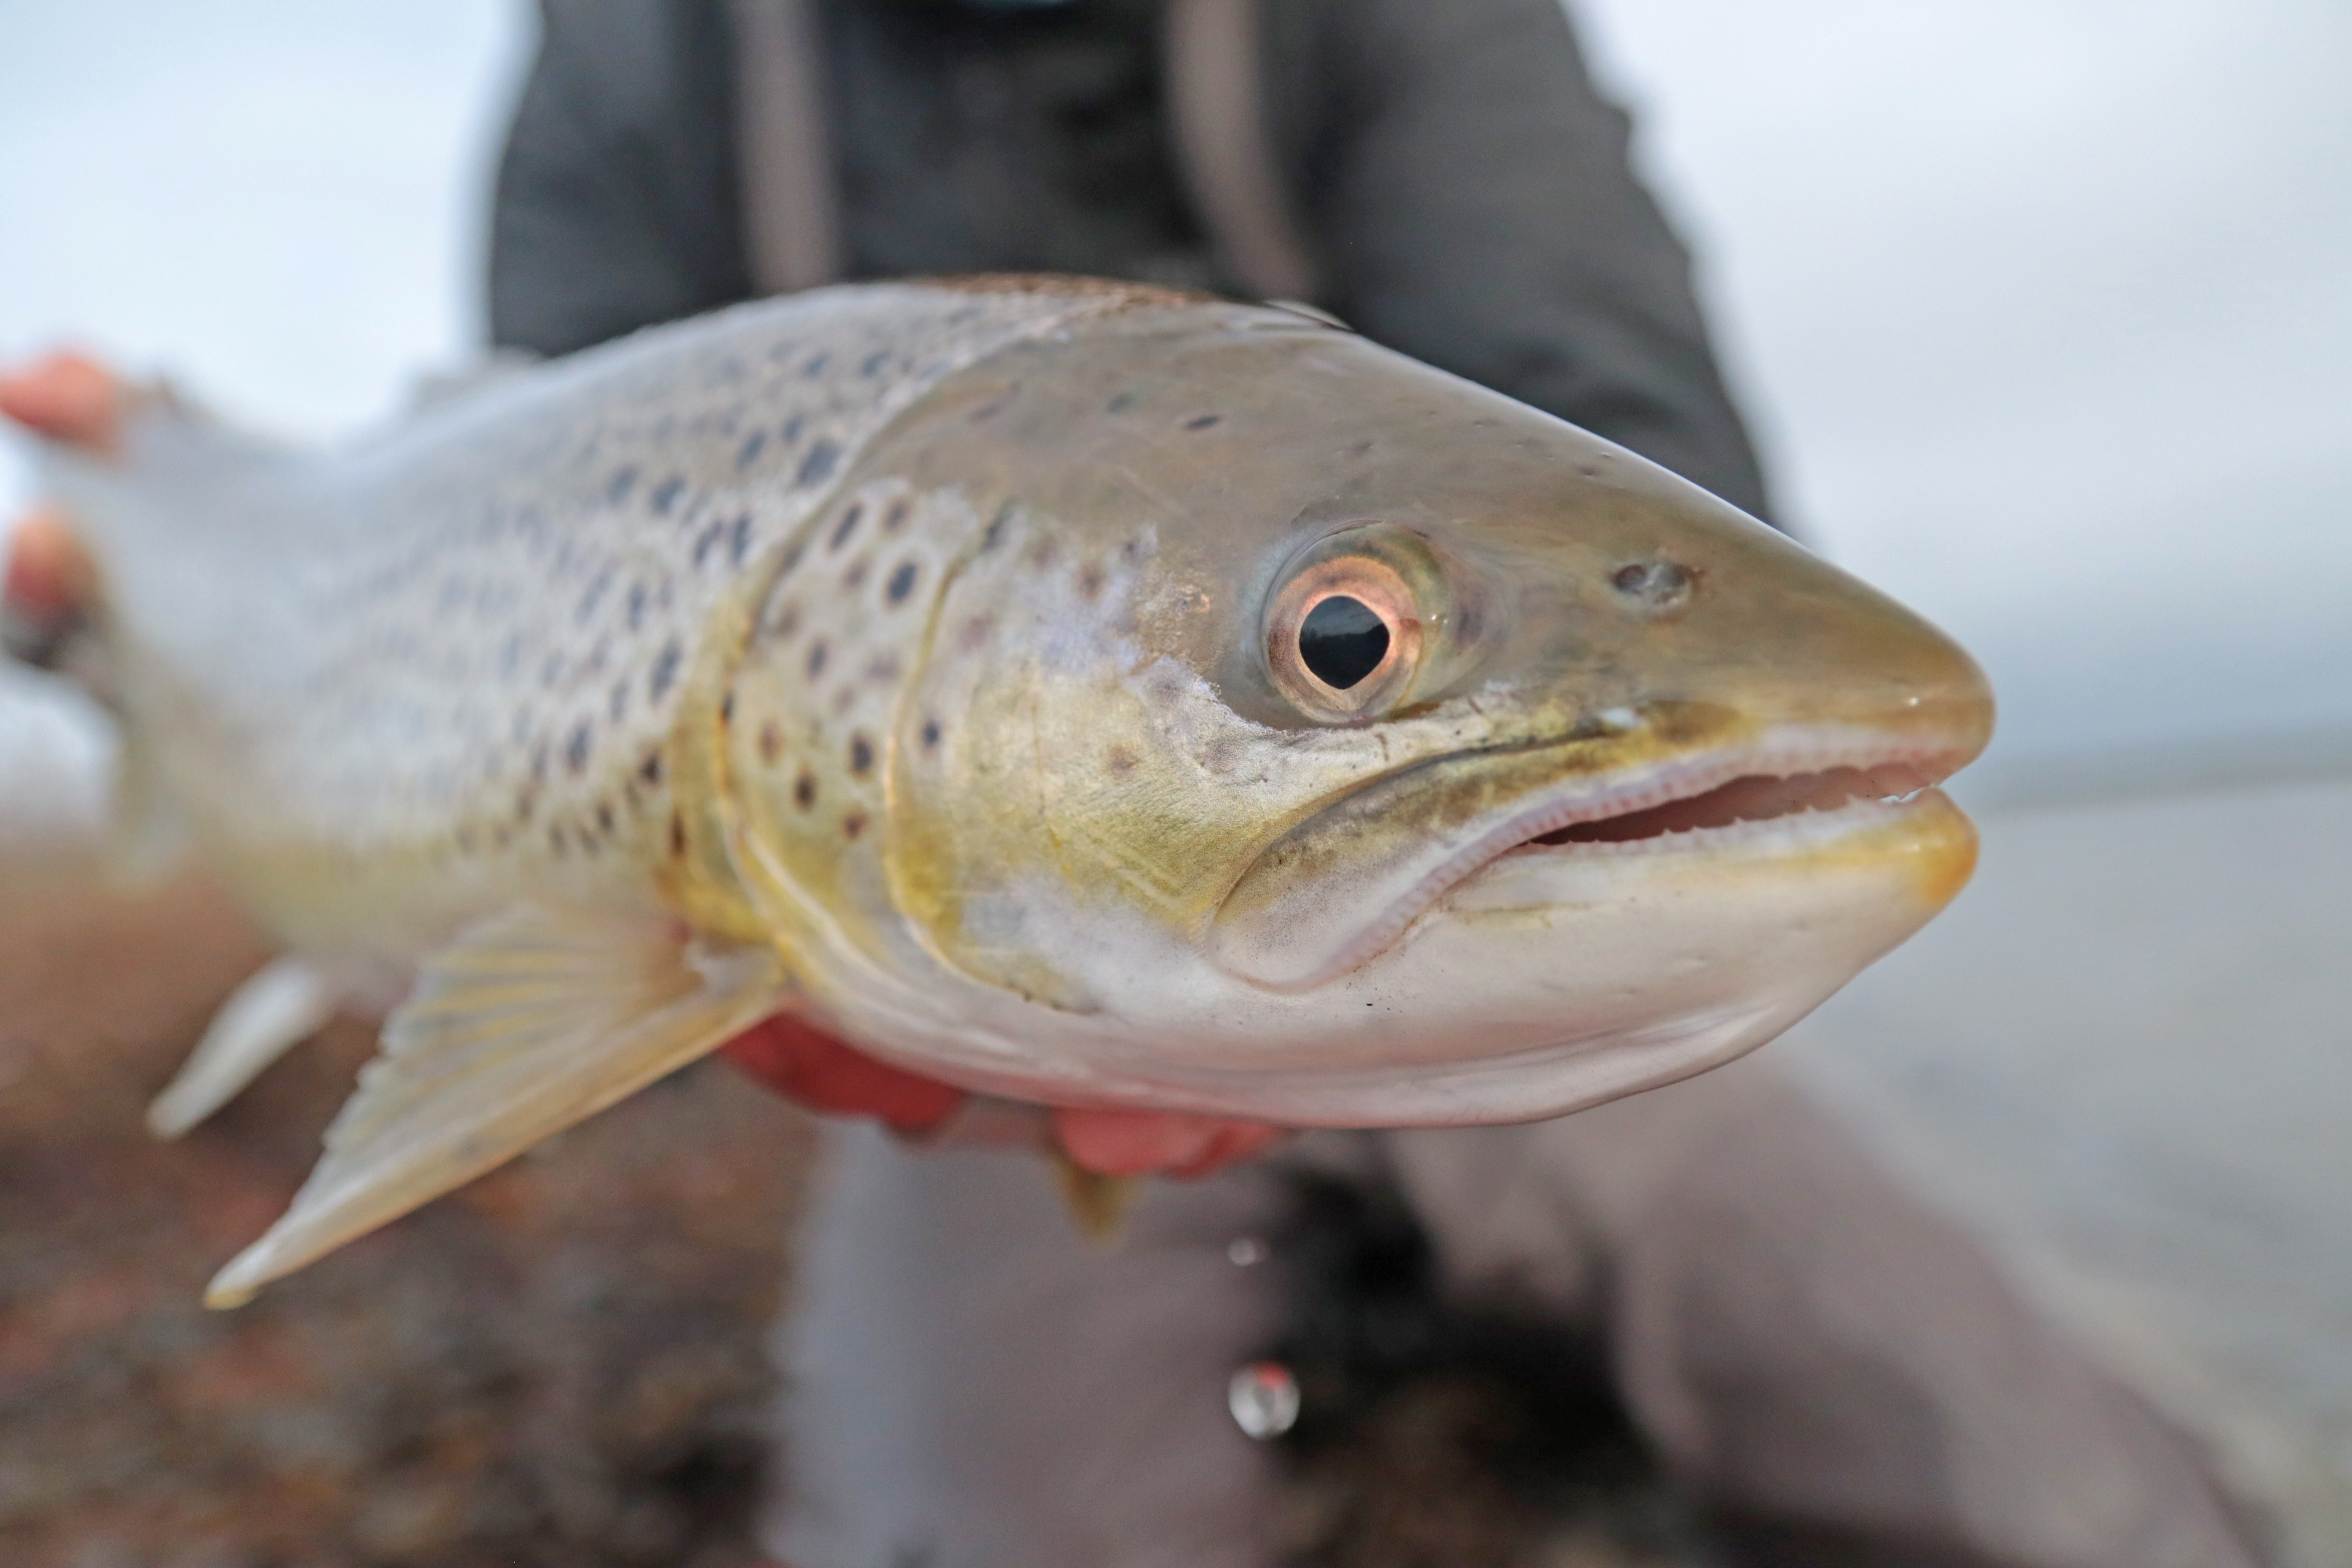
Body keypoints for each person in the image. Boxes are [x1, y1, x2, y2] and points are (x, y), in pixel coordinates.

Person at [0, 2, 2265, 1563]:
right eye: (1343, 645)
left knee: (2063, 1493)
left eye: (1336, 642)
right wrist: (115, 587)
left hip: (1531, 967)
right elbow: (521, 441)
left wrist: (1391, 686)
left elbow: (1639, 479)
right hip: (973, 1031)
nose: (1345, 651)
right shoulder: (651, 44)